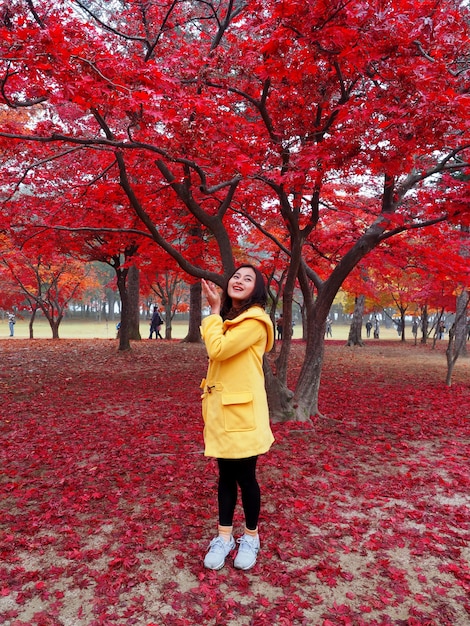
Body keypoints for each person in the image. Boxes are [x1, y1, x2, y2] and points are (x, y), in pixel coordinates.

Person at [200, 264, 274, 571]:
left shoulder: (255, 321)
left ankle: (251, 537)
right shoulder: (232, 320)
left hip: (243, 414)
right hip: (224, 410)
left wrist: (214, 311)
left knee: (246, 478)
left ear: (257, 290)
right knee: (226, 477)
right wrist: (219, 314)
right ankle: (224, 536)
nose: (239, 281)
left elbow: (217, 350)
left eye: (248, 278)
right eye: (236, 276)